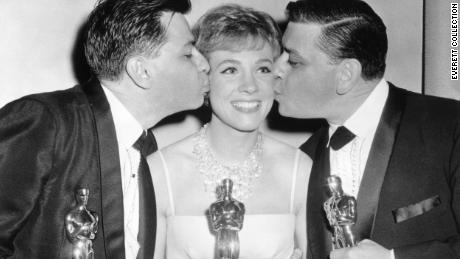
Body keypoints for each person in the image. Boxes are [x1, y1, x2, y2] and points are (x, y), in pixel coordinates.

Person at [0, 0, 210, 257]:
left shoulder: (144, 145)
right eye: (188, 54)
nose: (204, 65)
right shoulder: (46, 121)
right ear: (141, 71)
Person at [274, 0, 460, 258]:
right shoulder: (300, 161)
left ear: (346, 75)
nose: (275, 69)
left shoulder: (451, 125)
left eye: (293, 61)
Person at [147, 4, 311, 259]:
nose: (250, 86)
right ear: (204, 77)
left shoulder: (300, 169)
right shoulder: (160, 172)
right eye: (230, 70)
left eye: (263, 69)